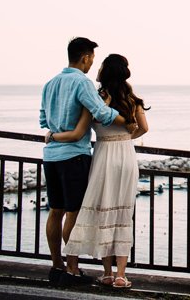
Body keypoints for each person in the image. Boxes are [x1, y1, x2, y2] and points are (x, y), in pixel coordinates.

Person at [53, 54, 149, 289]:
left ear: (105, 74)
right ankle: (120, 275)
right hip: (125, 156)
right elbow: (143, 128)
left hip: (103, 155)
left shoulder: (96, 99)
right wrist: (125, 138)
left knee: (103, 209)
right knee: (123, 213)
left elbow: (85, 126)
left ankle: (106, 272)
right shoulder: (133, 99)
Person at [40, 37, 129, 286]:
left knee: (55, 211)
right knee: (73, 212)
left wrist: (55, 133)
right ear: (86, 57)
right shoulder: (82, 82)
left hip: (51, 156)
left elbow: (43, 120)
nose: (92, 64)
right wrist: (127, 120)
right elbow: (101, 113)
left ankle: (56, 265)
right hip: (74, 156)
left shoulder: (50, 83)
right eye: (91, 58)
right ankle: (72, 269)